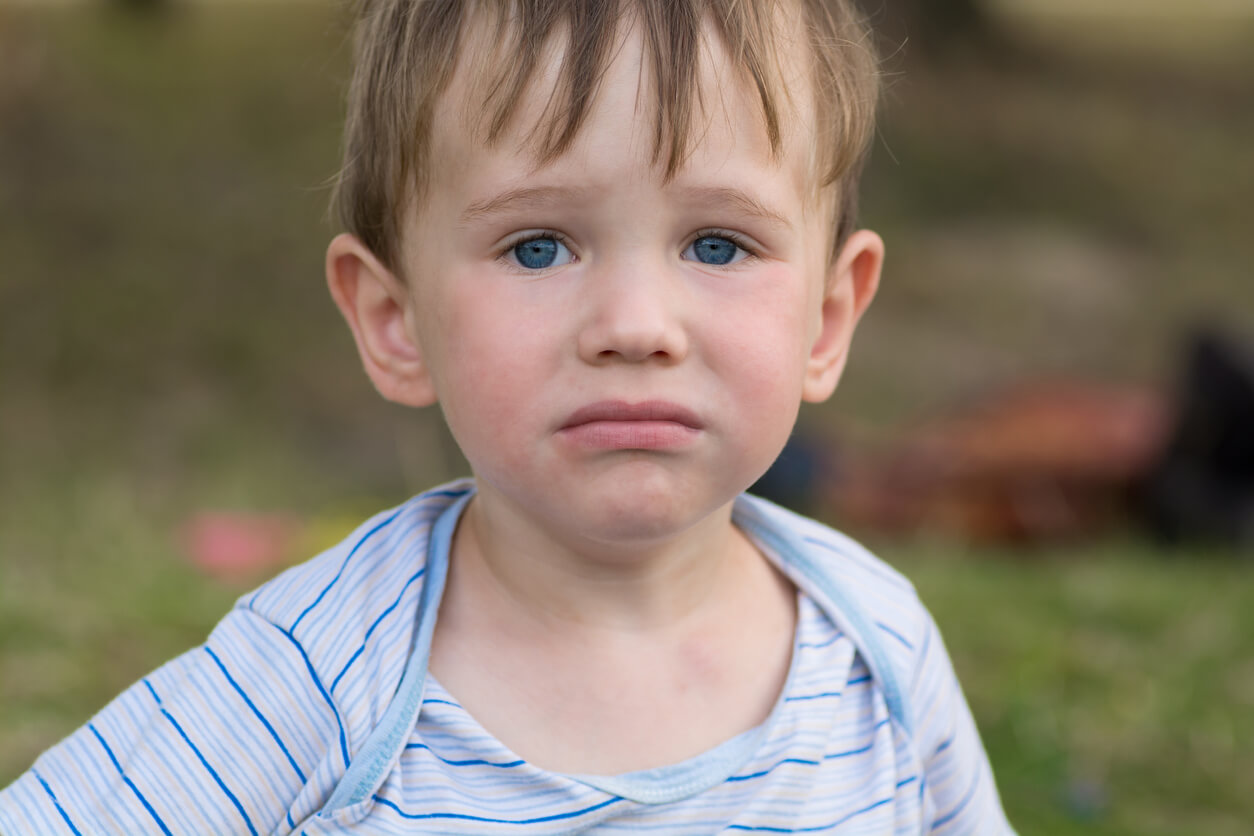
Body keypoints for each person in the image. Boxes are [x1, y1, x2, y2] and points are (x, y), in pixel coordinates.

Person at [0, 0, 1014, 832]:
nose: (634, 326)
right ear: (395, 320)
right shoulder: (317, 675)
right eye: (538, 246)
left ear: (827, 319)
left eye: (716, 244)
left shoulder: (876, 650)